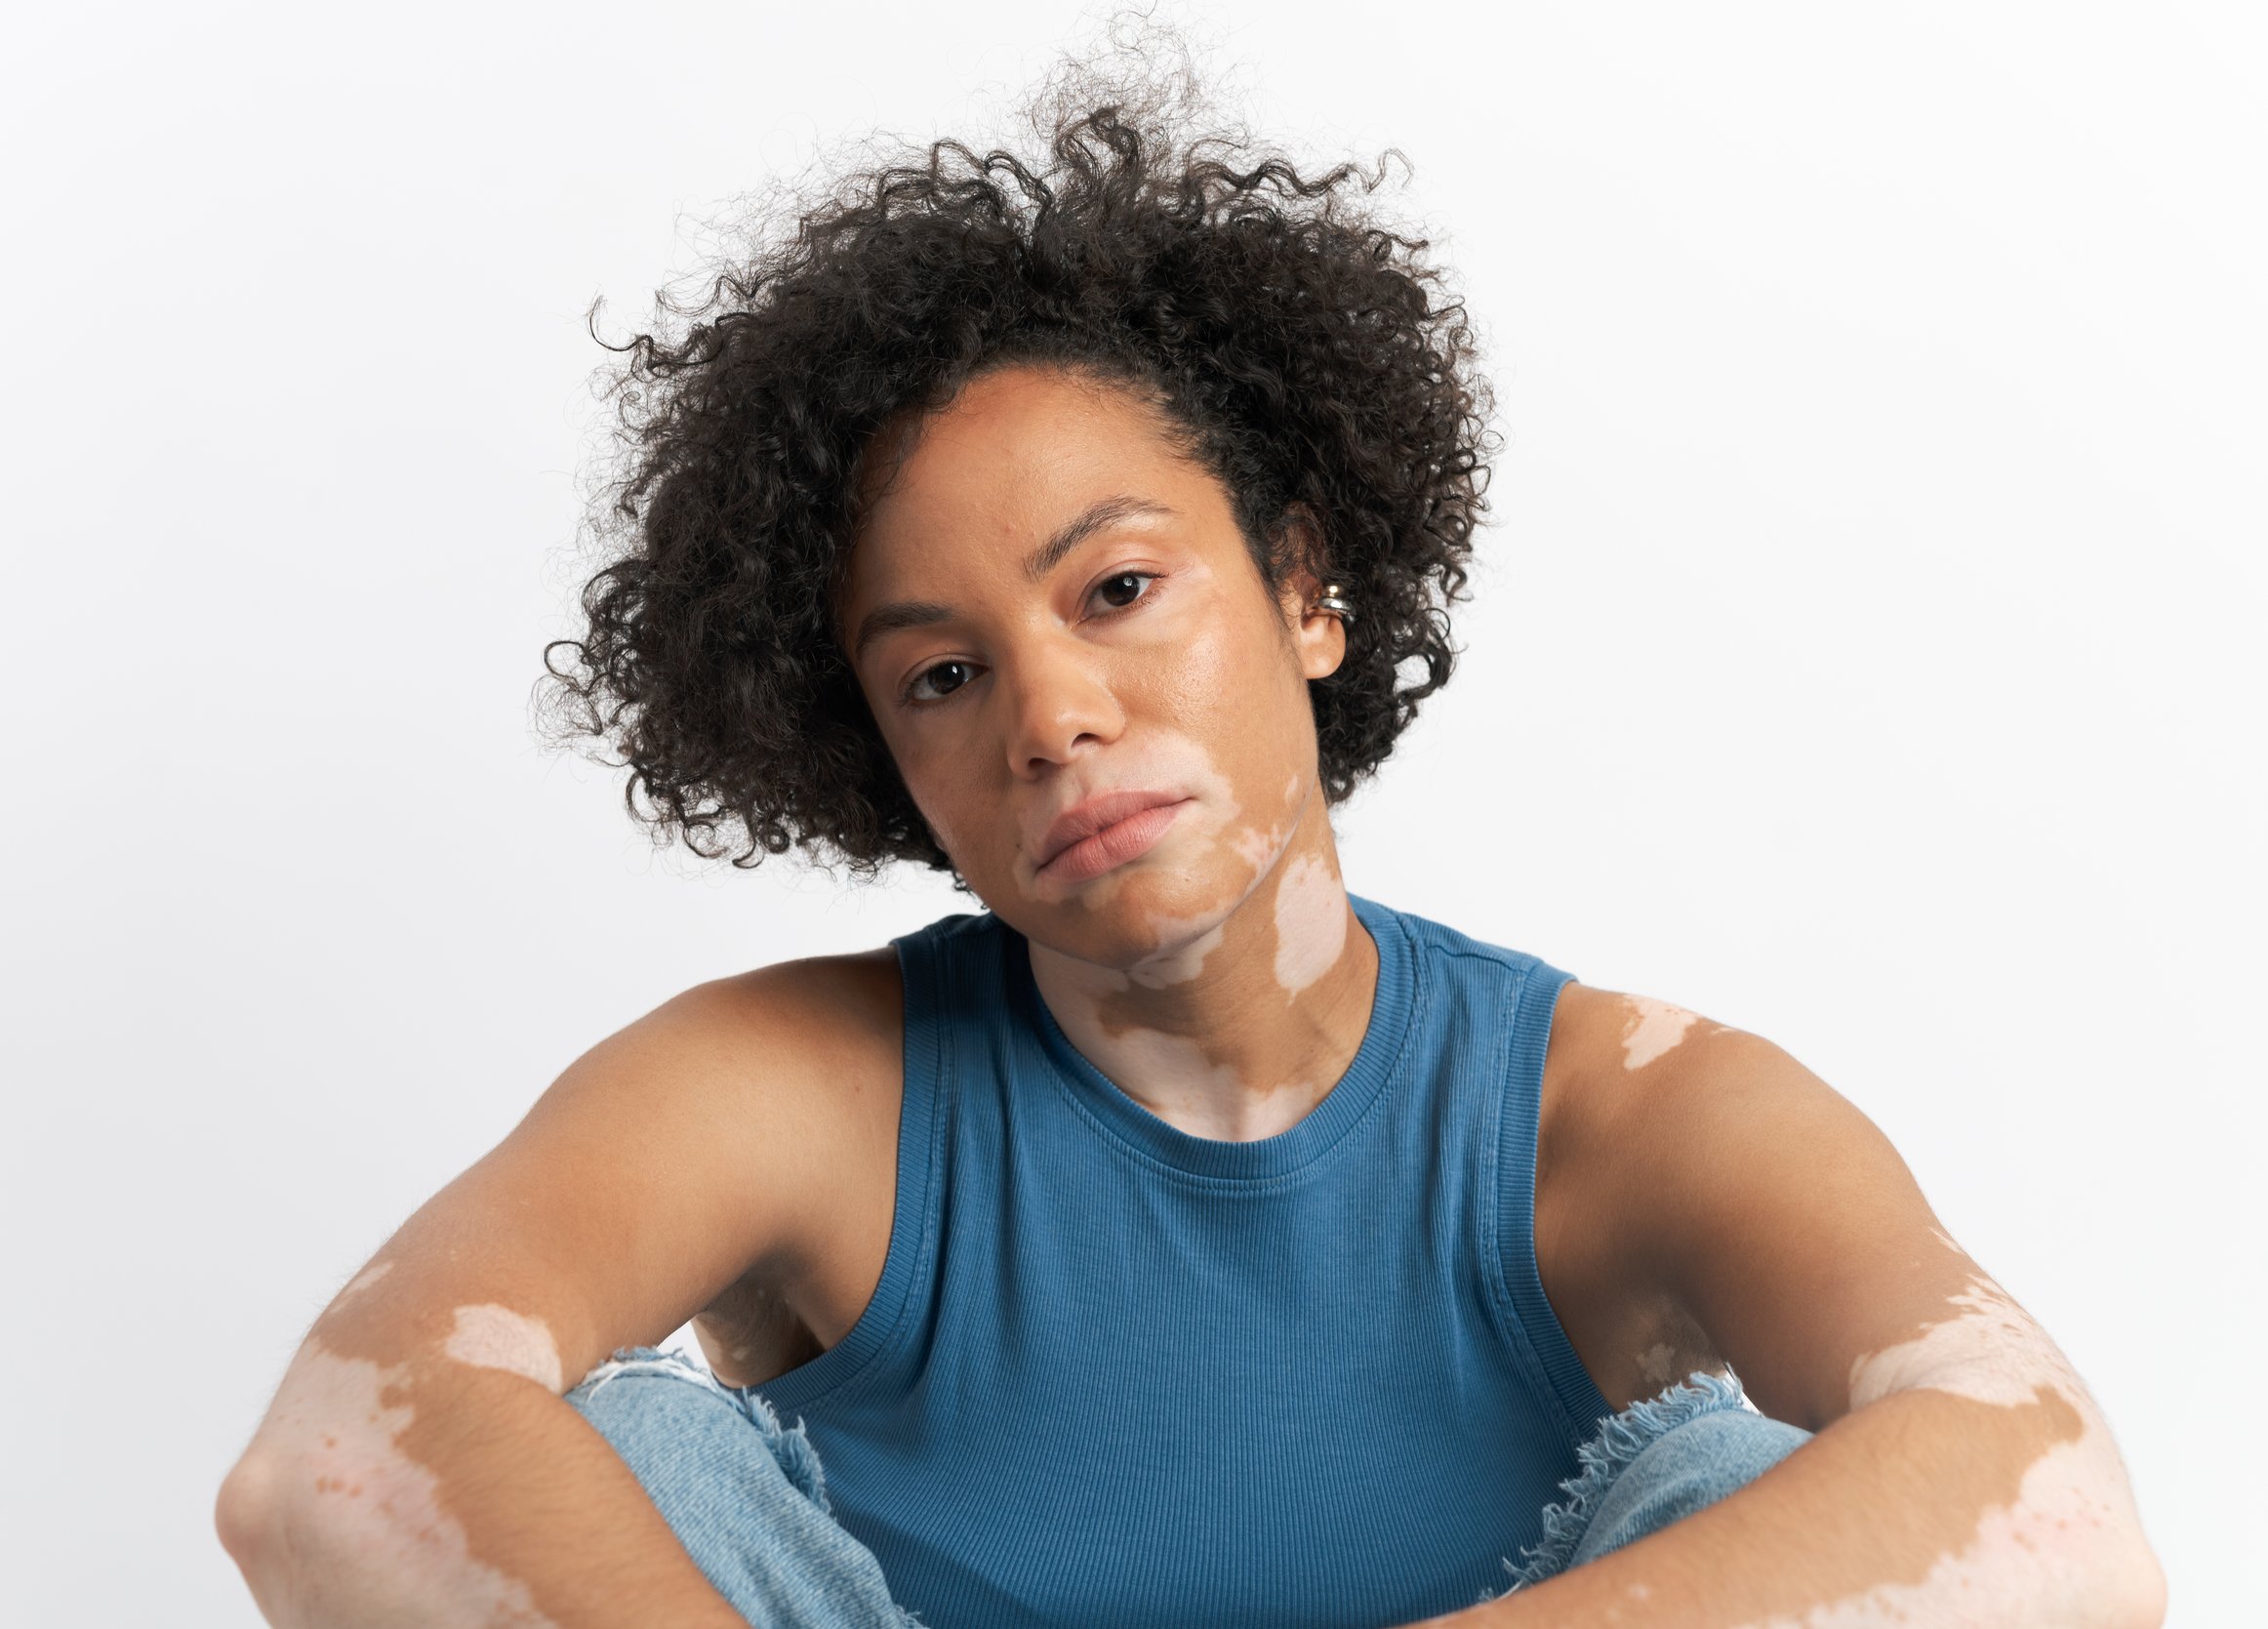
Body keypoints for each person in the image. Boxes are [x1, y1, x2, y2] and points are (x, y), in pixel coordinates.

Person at [212, 63, 2167, 1629]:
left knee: (1755, 1487)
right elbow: (328, 1463)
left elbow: (2058, 1524)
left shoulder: (1633, 1111)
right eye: (941, 676)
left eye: (1119, 588)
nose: (1050, 712)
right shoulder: (789, 1089)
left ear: (1305, 591)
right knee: (624, 1456)